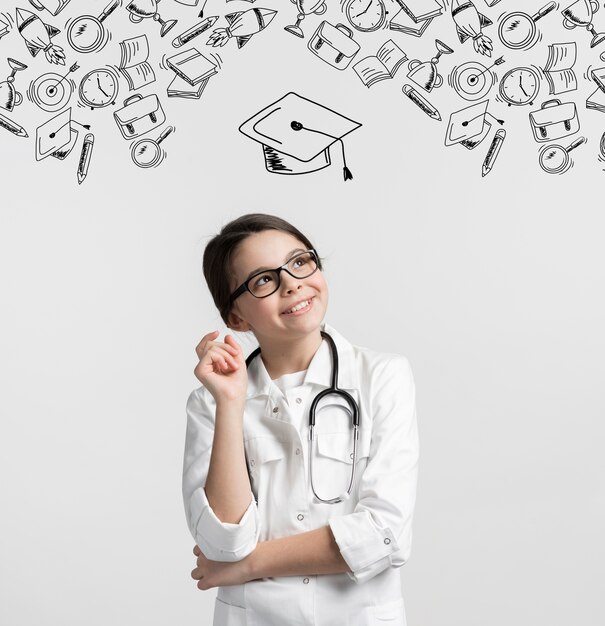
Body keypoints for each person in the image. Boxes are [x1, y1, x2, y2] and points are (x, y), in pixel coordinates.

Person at [183, 213, 419, 625]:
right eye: (262, 280)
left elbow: (385, 535)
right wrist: (232, 402)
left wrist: (247, 567)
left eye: (299, 262)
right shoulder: (211, 404)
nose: (291, 283)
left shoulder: (382, 376)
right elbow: (222, 544)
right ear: (236, 317)